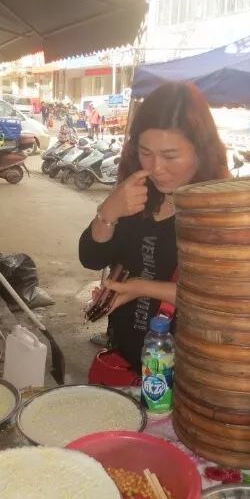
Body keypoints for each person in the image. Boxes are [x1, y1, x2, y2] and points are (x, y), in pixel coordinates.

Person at [79, 82, 229, 373]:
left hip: (187, 370)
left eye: (171, 156)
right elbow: (91, 258)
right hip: (126, 356)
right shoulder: (138, 188)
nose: (156, 167)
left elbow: (221, 297)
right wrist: (109, 210)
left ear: (202, 150)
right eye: (146, 152)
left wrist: (140, 288)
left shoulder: (220, 206)